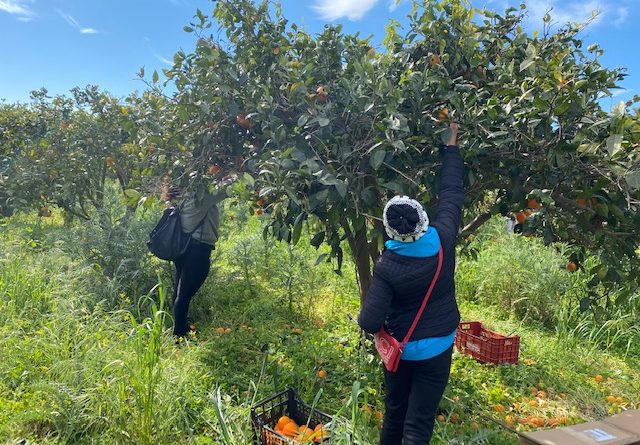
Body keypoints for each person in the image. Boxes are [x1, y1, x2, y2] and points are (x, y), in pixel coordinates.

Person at [357, 122, 463, 445]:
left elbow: (370, 321)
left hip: (401, 353)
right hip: (438, 349)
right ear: (423, 221)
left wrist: (366, 320)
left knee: (395, 414)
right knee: (418, 424)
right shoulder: (443, 238)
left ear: (391, 230)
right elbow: (451, 194)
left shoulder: (387, 265)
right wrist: (451, 148)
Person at [168, 174, 236, 338]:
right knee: (184, 295)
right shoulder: (199, 196)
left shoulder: (179, 197)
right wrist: (237, 170)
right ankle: (178, 336)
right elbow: (226, 189)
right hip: (197, 249)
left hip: (184, 248)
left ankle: (181, 326)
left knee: (180, 292)